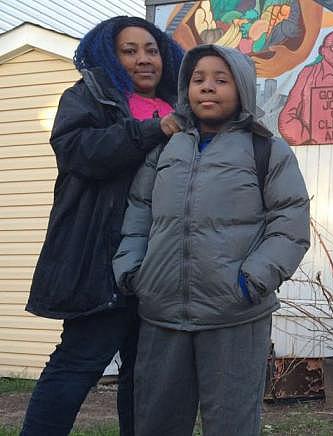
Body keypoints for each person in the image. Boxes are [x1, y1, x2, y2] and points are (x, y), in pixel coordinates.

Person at [112, 44, 310, 435]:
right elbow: (138, 214)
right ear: (186, 87)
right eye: (198, 79)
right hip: (162, 313)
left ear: (242, 90)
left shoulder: (266, 149)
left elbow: (290, 222)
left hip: (234, 315)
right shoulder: (166, 147)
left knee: (232, 425)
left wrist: (251, 281)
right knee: (157, 423)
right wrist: (134, 271)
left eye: (221, 80)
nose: (208, 88)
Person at [20, 16, 183, 436]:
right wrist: (152, 130)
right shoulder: (87, 97)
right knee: (78, 363)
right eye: (129, 51)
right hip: (100, 260)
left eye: (151, 50)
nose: (145, 59)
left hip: (161, 264)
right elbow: (80, 152)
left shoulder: (179, 106)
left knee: (144, 376)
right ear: (106, 57)